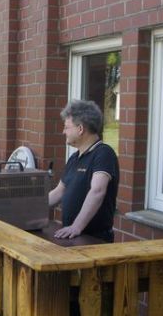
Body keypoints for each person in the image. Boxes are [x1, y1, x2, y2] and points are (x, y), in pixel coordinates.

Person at [49, 99, 119, 242]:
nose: (63, 132)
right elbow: (58, 192)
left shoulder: (103, 153)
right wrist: (28, 210)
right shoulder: (74, 158)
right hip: (72, 236)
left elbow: (97, 191)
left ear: (80, 129)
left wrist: (76, 226)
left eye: (66, 127)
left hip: (94, 240)